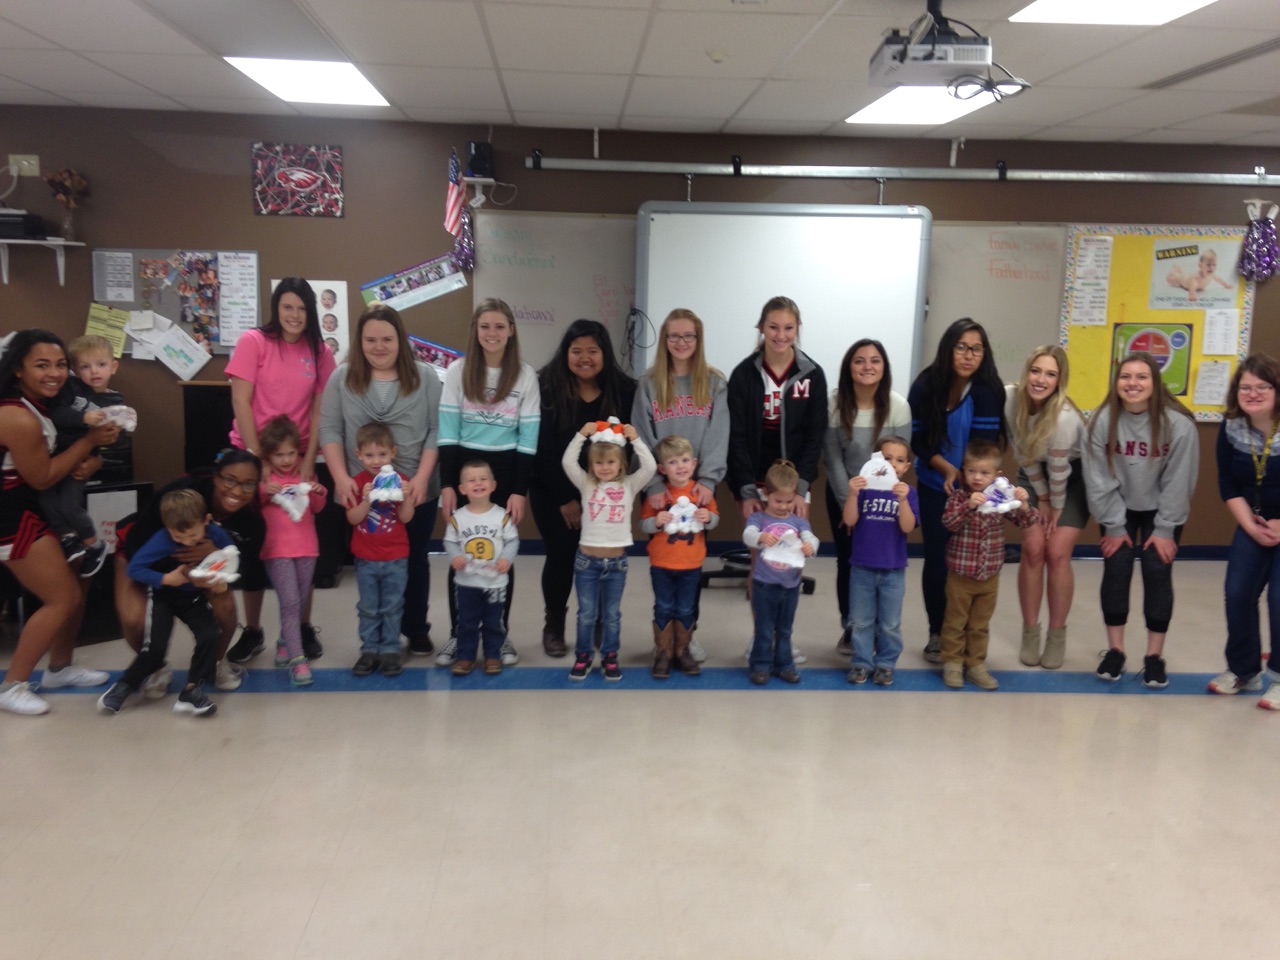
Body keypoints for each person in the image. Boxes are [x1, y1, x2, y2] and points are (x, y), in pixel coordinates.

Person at [0, 330, 117, 715]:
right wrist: (89, 443)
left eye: (60, 365)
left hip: (41, 509)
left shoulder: (47, 405)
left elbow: (69, 460)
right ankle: (14, 683)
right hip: (12, 515)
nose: (54, 373)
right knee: (61, 597)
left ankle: (60, 667)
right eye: (41, 365)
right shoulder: (16, 415)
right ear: (18, 369)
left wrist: (92, 458)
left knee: (77, 584)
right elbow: (43, 476)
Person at [320, 302, 441, 656]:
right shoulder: (341, 378)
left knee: (414, 559)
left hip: (415, 489)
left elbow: (436, 431)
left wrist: (420, 478)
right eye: (370, 339)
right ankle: (374, 636)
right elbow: (329, 428)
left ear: (401, 340)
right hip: (362, 491)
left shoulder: (425, 376)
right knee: (371, 563)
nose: (379, 347)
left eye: (387, 339)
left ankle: (415, 628)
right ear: (359, 341)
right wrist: (341, 478)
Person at [225, 277, 336, 664]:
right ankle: (253, 630)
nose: (294, 315)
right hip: (251, 459)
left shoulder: (320, 351)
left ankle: (301, 628)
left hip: (298, 458)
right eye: (287, 307)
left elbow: (322, 407)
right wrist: (258, 462)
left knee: (303, 546)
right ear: (276, 309)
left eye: (302, 309)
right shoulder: (253, 342)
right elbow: (241, 399)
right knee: (255, 549)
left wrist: (307, 464)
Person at [434, 298, 539, 668]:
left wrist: (519, 489)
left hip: (507, 471)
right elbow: (447, 432)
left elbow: (528, 437)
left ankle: (499, 635)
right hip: (466, 470)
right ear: (475, 332)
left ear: (511, 330)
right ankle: (457, 636)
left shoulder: (525, 376)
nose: (492, 333)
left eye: (499, 326)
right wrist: (448, 484)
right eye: (485, 327)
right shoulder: (458, 371)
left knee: (499, 555)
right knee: (462, 554)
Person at [1084, 352, 1199, 688]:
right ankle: (1115, 650)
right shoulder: (1102, 420)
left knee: (1157, 571)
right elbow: (1097, 477)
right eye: (1126, 377)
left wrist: (1166, 529)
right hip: (1116, 505)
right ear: (1116, 383)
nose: (1132, 384)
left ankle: (1153, 656)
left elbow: (1180, 482)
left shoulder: (1179, 424)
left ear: (1155, 383)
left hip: (1161, 509)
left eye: (1141, 377)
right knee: (1116, 569)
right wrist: (1114, 525)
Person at [727, 296, 828, 664]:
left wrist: (801, 487)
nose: (780, 335)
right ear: (761, 328)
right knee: (760, 563)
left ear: (797, 329)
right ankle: (761, 640)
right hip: (756, 482)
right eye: (773, 327)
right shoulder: (743, 375)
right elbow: (735, 436)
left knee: (790, 561)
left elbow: (816, 436)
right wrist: (744, 488)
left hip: (794, 484)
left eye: (788, 327)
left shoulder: (812, 374)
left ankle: (783, 641)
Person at [115, 448, 264, 696]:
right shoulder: (181, 493)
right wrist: (169, 576)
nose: (237, 491)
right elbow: (137, 545)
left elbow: (246, 568)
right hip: (143, 556)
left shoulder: (252, 521)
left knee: (225, 608)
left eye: (249, 484)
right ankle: (155, 667)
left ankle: (214, 664)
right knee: (132, 618)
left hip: (200, 572)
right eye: (230, 480)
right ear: (216, 477)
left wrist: (212, 558)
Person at [531, 320, 636, 657]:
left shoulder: (625, 390)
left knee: (603, 559)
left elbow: (630, 448)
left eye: (593, 350)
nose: (585, 358)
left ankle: (598, 623)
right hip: (553, 491)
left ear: (605, 353)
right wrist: (566, 498)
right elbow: (542, 448)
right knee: (561, 555)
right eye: (577, 351)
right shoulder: (546, 387)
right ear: (566, 354)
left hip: (607, 494)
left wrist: (611, 491)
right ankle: (555, 625)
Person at [632, 308, 729, 663]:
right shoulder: (649, 383)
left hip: (698, 491)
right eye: (674, 336)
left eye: (689, 336)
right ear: (665, 340)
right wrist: (653, 482)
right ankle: (663, 641)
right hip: (661, 493)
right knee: (664, 567)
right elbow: (641, 436)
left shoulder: (715, 383)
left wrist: (707, 481)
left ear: (698, 340)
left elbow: (720, 436)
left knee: (691, 567)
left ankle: (687, 639)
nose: (681, 342)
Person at [908, 318, 1007, 664]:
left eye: (976, 348)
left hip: (978, 489)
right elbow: (918, 441)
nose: (968, 355)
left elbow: (984, 447)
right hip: (936, 484)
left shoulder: (988, 389)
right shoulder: (925, 385)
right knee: (937, 561)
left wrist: (969, 483)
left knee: (971, 565)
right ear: (949, 348)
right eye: (961, 347)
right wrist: (947, 468)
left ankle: (966, 636)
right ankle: (938, 633)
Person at [99, 489, 230, 717]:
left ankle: (192, 691)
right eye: (178, 537)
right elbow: (135, 569)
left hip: (193, 597)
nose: (187, 542)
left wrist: (221, 582)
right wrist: (167, 579)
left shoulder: (215, 534)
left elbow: (231, 557)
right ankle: (124, 686)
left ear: (206, 521)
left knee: (210, 634)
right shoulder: (161, 539)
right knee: (155, 647)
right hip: (163, 597)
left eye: (192, 536)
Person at [824, 338, 912, 656]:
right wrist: (847, 501)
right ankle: (852, 627)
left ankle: (878, 630)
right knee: (849, 563)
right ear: (849, 367)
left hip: (886, 502)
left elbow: (899, 460)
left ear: (884, 367)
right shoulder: (834, 403)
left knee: (883, 566)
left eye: (875, 360)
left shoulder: (898, 405)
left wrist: (883, 503)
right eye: (859, 360)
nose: (867, 367)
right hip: (846, 497)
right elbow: (832, 459)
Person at [1005, 346, 1087, 669]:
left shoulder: (1065, 418)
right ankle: (1030, 632)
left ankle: (1057, 634)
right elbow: (1021, 452)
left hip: (1072, 479)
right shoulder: (1011, 399)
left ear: (1060, 380)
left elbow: (1059, 469)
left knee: (1056, 552)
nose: (1041, 379)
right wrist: (1040, 497)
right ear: (1027, 371)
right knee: (1033, 548)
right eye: (1036, 370)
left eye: (1050, 374)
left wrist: (1054, 505)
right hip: (1032, 474)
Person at [939, 439, 1038, 691]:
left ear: (997, 475)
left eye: (984, 473)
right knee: (955, 622)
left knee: (980, 624)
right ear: (964, 471)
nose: (977, 478)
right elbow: (949, 523)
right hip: (961, 575)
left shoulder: (999, 500)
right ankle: (952, 662)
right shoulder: (959, 498)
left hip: (989, 576)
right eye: (971, 471)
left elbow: (1027, 521)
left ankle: (975, 664)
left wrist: (1023, 502)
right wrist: (969, 506)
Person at [561, 419, 656, 681]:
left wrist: (635, 439)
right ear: (591, 465)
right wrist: (581, 435)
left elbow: (650, 466)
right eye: (599, 463)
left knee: (612, 615)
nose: (605, 468)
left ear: (621, 464)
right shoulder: (586, 483)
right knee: (586, 615)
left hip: (617, 565)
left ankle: (610, 656)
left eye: (611, 462)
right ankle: (583, 657)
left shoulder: (629, 485)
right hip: (586, 563)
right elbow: (568, 462)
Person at [1211, 354, 1280, 706]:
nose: (1253, 393)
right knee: (1237, 593)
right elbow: (1227, 483)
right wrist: (1250, 524)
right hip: (1254, 522)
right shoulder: (1232, 426)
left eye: (1262, 386)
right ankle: (1245, 671)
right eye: (1245, 387)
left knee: (1279, 600)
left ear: (1277, 390)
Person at [39, 334, 129, 577]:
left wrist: (114, 436)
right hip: (55, 456)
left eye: (100, 365)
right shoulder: (71, 388)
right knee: (44, 496)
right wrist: (83, 418)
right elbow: (56, 413)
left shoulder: (115, 401)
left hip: (82, 463)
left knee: (69, 504)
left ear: (113, 366)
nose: (94, 372)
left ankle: (93, 544)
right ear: (75, 372)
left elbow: (121, 439)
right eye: (85, 367)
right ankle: (68, 538)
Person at [639, 434, 719, 678]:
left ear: (694, 464)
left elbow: (714, 519)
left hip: (691, 563)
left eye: (685, 460)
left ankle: (682, 650)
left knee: (685, 608)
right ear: (662, 468)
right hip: (661, 563)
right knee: (663, 607)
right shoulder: (657, 495)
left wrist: (709, 518)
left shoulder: (702, 493)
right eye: (673, 462)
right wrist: (655, 521)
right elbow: (644, 525)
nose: (681, 466)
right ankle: (663, 651)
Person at [842, 435, 917, 686]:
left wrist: (903, 501)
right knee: (861, 621)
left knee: (890, 623)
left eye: (899, 460)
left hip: (893, 570)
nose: (892, 464)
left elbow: (907, 527)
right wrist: (852, 494)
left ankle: (886, 663)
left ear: (906, 467)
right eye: (886, 458)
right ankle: (862, 662)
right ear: (874, 462)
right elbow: (850, 521)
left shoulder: (908, 493)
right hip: (862, 567)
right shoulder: (864, 489)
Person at [258, 415, 327, 687]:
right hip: (276, 550)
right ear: (268, 455)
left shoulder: (305, 473)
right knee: (289, 602)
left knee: (297, 600)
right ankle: (298, 659)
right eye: (279, 455)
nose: (286, 460)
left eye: (291, 453)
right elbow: (253, 502)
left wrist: (318, 491)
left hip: (307, 547)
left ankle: (285, 641)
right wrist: (264, 491)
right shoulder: (264, 478)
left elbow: (318, 508)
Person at [345, 422, 417, 677]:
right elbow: (353, 518)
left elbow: (407, 517)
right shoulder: (357, 482)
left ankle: (390, 650)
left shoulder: (401, 481)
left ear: (393, 453)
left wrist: (406, 496)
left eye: (382, 454)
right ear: (359, 455)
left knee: (393, 606)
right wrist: (366, 498)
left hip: (396, 557)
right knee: (368, 607)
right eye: (369, 455)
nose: (376, 461)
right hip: (366, 558)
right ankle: (369, 650)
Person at [743, 459, 820, 686]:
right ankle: (760, 664)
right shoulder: (758, 518)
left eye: (788, 501)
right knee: (764, 628)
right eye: (778, 500)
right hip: (764, 584)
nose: (783, 506)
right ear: (766, 493)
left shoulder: (799, 522)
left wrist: (811, 547)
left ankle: (785, 665)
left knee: (785, 629)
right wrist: (759, 537)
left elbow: (812, 539)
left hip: (791, 585)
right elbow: (747, 535)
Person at [444, 460, 519, 677]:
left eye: (483, 479)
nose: (478, 483)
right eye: (472, 480)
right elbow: (450, 542)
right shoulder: (457, 518)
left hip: (495, 583)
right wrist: (455, 556)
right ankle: (466, 657)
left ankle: (493, 655)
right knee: (466, 622)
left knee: (493, 621)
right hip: (467, 582)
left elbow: (512, 541)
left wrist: (506, 558)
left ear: (494, 485)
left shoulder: (502, 516)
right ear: (462, 489)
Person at [1166, 250, 1232, 302]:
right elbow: (1192, 287)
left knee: (1182, 274)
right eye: (1208, 265)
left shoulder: (1211, 275)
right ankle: (1175, 269)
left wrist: (1225, 285)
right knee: (1169, 280)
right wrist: (1192, 295)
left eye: (1214, 265)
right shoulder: (1197, 277)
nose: (1211, 268)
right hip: (1183, 280)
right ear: (1200, 265)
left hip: (1188, 276)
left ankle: (1179, 270)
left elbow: (1218, 279)